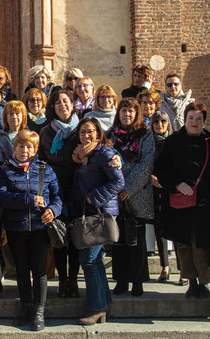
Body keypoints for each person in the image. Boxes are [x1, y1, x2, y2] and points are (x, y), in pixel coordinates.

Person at [0, 130, 61, 331]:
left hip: (40, 228)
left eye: (29, 147)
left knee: (39, 271)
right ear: (14, 148)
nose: (25, 150)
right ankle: (26, 307)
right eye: (21, 146)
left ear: (35, 149)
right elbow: (1, 196)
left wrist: (53, 210)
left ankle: (39, 311)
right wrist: (28, 200)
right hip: (16, 227)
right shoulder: (5, 170)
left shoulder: (45, 170)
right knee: (22, 270)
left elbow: (57, 196)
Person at [154, 102, 210, 299]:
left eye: (199, 119)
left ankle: (204, 282)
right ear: (185, 120)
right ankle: (190, 281)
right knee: (183, 243)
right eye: (191, 118)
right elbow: (161, 169)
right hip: (179, 200)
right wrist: (176, 184)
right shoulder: (173, 142)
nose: (195, 122)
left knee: (201, 243)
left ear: (204, 121)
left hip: (203, 201)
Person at [70, 117, 124, 325]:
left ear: (99, 133)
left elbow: (119, 181)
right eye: (82, 132)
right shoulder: (84, 155)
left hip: (99, 214)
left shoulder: (104, 153)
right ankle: (104, 302)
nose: (86, 135)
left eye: (90, 131)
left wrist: (95, 196)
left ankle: (96, 307)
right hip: (89, 213)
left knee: (89, 260)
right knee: (96, 260)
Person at [108, 98, 155, 297]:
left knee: (136, 241)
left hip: (136, 194)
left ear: (136, 114)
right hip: (116, 195)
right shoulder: (111, 135)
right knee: (118, 241)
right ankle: (120, 280)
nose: (127, 114)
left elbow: (146, 163)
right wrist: (117, 188)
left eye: (131, 111)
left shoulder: (145, 134)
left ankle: (137, 281)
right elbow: (106, 158)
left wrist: (129, 188)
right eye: (123, 110)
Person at [38, 90, 81, 298]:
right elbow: (40, 162)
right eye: (57, 102)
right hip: (56, 192)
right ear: (52, 108)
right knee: (60, 237)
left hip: (79, 189)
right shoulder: (46, 132)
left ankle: (74, 280)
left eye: (66, 101)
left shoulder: (82, 129)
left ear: (72, 104)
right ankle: (62, 280)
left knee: (76, 240)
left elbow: (101, 147)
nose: (62, 105)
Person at [149, 110, 175, 284]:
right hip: (153, 189)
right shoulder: (148, 142)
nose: (160, 125)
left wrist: (166, 181)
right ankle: (164, 266)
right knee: (159, 229)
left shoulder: (174, 142)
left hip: (171, 189)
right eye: (156, 122)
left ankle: (183, 269)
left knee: (175, 228)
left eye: (163, 122)